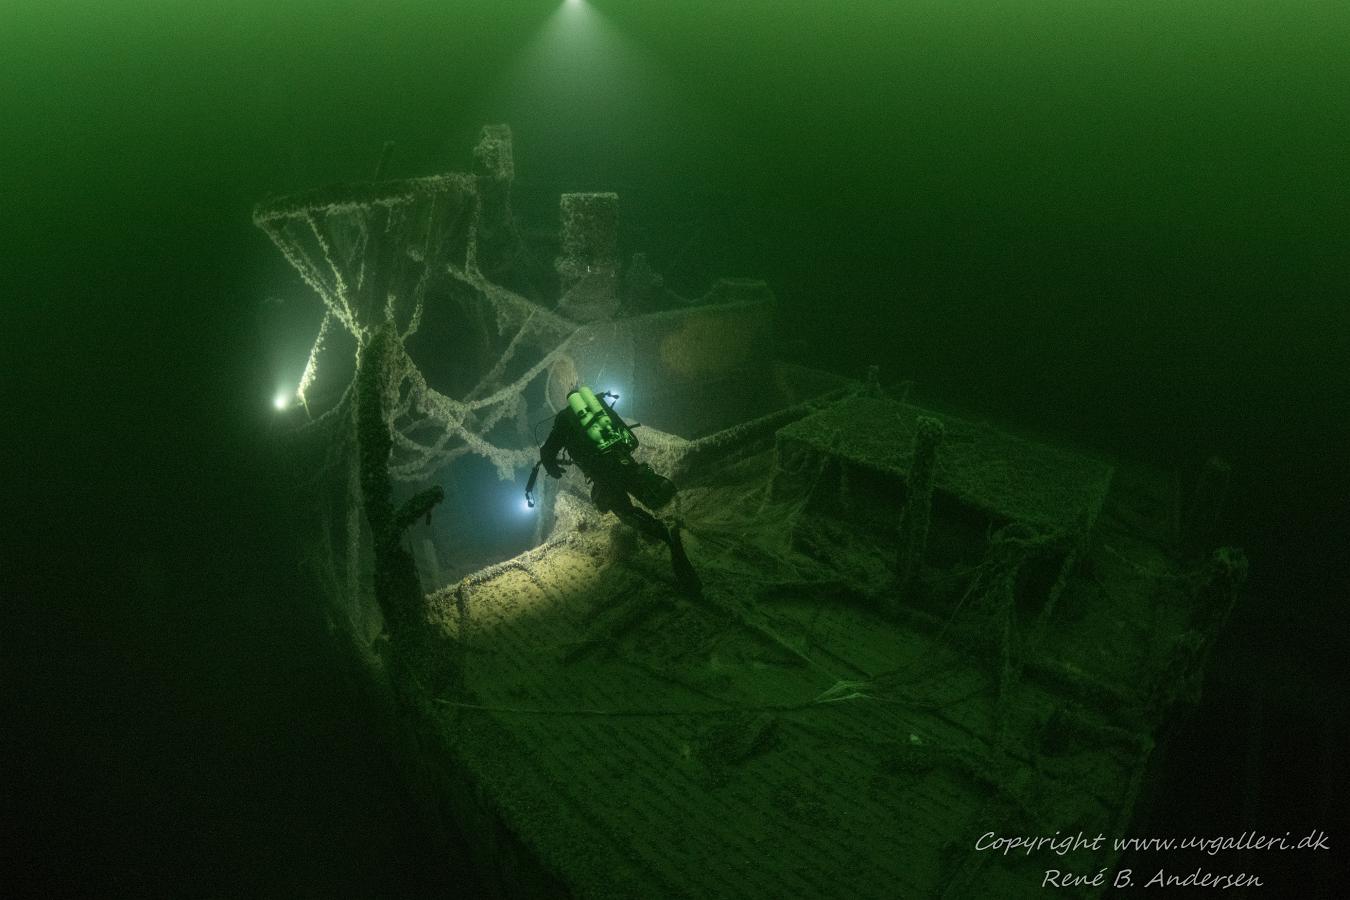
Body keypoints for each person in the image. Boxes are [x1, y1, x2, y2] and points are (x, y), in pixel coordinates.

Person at [528, 385, 701, 597]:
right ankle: (667, 518)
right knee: (646, 491)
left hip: (603, 475)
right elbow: (624, 431)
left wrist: (553, 469)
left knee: (625, 511)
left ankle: (663, 532)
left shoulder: (564, 418)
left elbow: (548, 450)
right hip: (624, 460)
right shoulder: (599, 407)